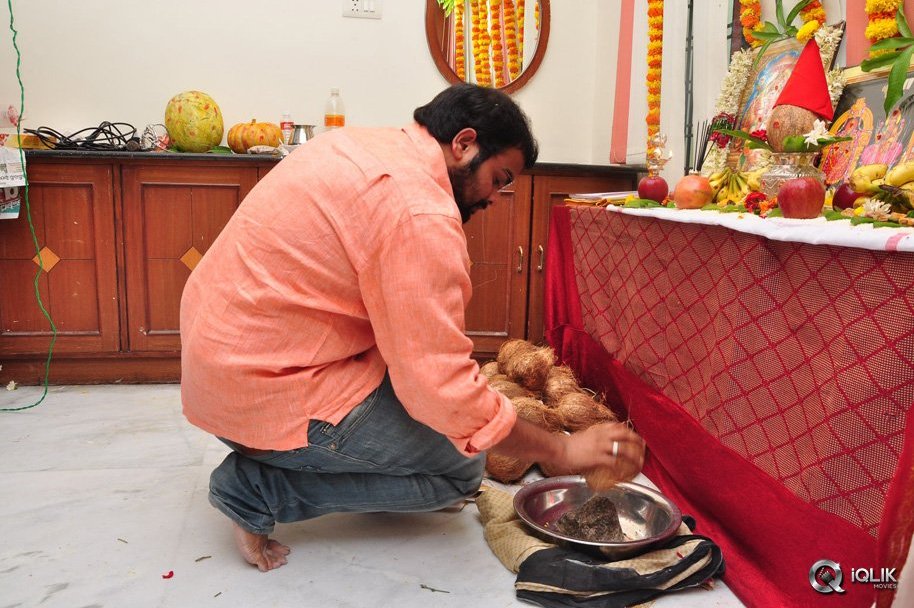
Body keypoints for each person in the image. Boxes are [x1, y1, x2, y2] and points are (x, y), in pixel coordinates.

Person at [180, 84, 645, 572]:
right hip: (263, 394)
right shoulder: (418, 209)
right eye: (498, 177)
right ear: (465, 144)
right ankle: (258, 489)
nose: (496, 196)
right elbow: (439, 388)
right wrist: (564, 449)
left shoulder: (362, 144)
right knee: (460, 471)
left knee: (448, 435)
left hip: (220, 372)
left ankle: (337, 467)